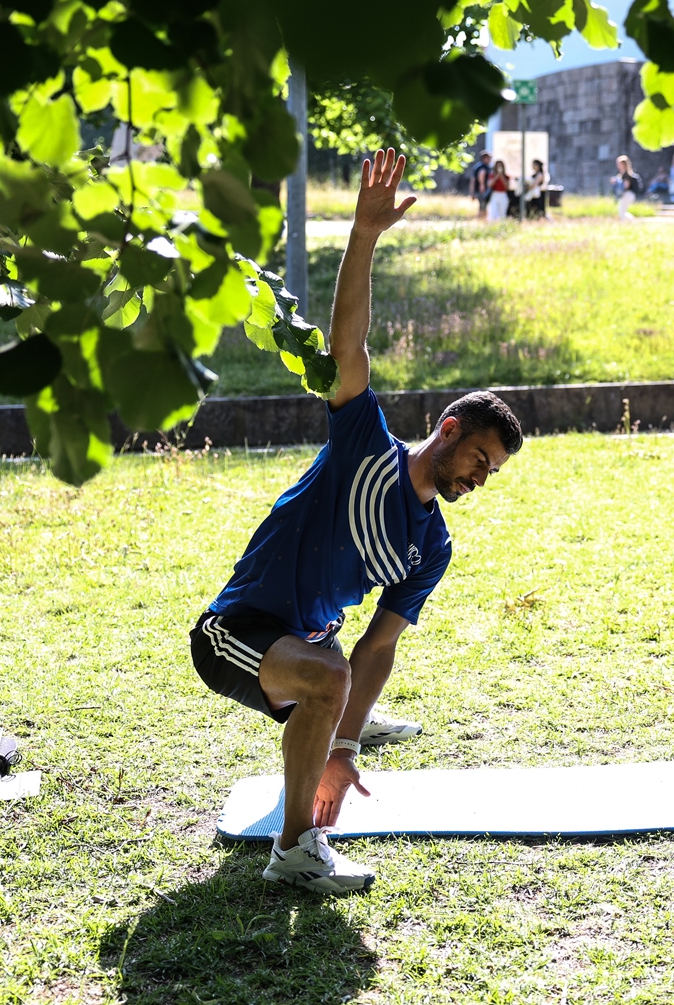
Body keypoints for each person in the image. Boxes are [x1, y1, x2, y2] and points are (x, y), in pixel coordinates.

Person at [190, 148, 525, 892]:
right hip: (232, 636)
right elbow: (350, 343)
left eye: (490, 473)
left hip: (312, 652)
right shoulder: (363, 444)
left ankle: (334, 736)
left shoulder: (431, 546)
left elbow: (379, 648)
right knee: (329, 676)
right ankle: (296, 853)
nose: (479, 477)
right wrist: (364, 235)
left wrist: (345, 746)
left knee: (339, 674)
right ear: (446, 428)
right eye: (478, 458)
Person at [612, 155, 641, 219]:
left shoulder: (627, 175)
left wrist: (617, 183)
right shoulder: (621, 174)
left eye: (619, 164)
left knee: (622, 212)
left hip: (628, 194)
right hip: (625, 195)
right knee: (621, 211)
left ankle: (632, 222)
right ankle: (629, 223)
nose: (617, 165)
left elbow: (626, 186)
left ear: (623, 164)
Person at [470, 151, 493, 219]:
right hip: (482, 190)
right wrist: (482, 185)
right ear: (484, 158)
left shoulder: (477, 166)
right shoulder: (483, 167)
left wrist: (472, 191)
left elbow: (473, 179)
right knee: (483, 206)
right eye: (488, 158)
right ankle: (481, 220)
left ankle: (482, 220)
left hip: (478, 190)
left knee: (482, 206)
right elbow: (481, 174)